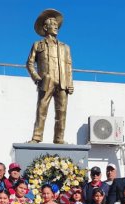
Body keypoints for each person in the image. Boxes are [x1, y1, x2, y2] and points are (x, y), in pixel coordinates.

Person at [26, 8, 74, 144]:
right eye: (52, 25)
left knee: (61, 113)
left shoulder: (65, 47)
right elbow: (29, 64)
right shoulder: (38, 44)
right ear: (45, 28)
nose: (56, 27)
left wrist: (70, 83)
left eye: (57, 25)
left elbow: (69, 66)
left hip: (62, 82)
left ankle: (59, 139)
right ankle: (36, 137)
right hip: (46, 81)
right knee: (41, 110)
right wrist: (37, 78)